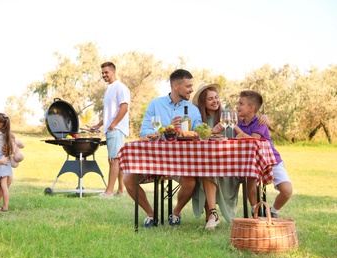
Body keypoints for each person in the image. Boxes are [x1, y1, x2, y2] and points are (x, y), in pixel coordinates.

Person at [123, 69, 202, 227]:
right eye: (188, 86)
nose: (192, 89)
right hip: (154, 161)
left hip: (181, 163)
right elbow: (145, 132)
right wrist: (169, 128)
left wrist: (190, 133)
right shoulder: (155, 104)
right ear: (175, 85)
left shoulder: (192, 110)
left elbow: (199, 134)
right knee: (128, 179)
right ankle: (151, 215)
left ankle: (176, 213)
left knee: (190, 182)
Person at [192, 83, 269, 228]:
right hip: (211, 164)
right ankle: (213, 215)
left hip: (232, 165)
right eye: (210, 99)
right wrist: (212, 131)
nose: (215, 101)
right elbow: (197, 141)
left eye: (216, 97)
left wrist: (264, 117)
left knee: (209, 170)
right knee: (208, 169)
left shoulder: (229, 113)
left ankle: (213, 215)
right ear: (203, 102)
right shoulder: (199, 120)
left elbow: (251, 118)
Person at [232, 90, 292, 218]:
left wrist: (234, 128)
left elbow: (254, 140)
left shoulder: (260, 123)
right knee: (250, 182)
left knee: (287, 190)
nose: (238, 106)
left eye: (241, 103)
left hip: (272, 161)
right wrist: (235, 125)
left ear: (251, 108)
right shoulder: (240, 123)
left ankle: (274, 211)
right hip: (251, 163)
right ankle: (256, 212)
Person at [91, 62, 130, 199]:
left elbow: (124, 107)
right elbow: (110, 113)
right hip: (111, 128)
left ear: (113, 71)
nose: (104, 75)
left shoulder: (120, 87)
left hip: (117, 129)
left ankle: (108, 192)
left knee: (114, 160)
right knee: (115, 159)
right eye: (102, 73)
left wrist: (113, 124)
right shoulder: (109, 89)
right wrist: (98, 125)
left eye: (106, 72)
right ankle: (120, 190)